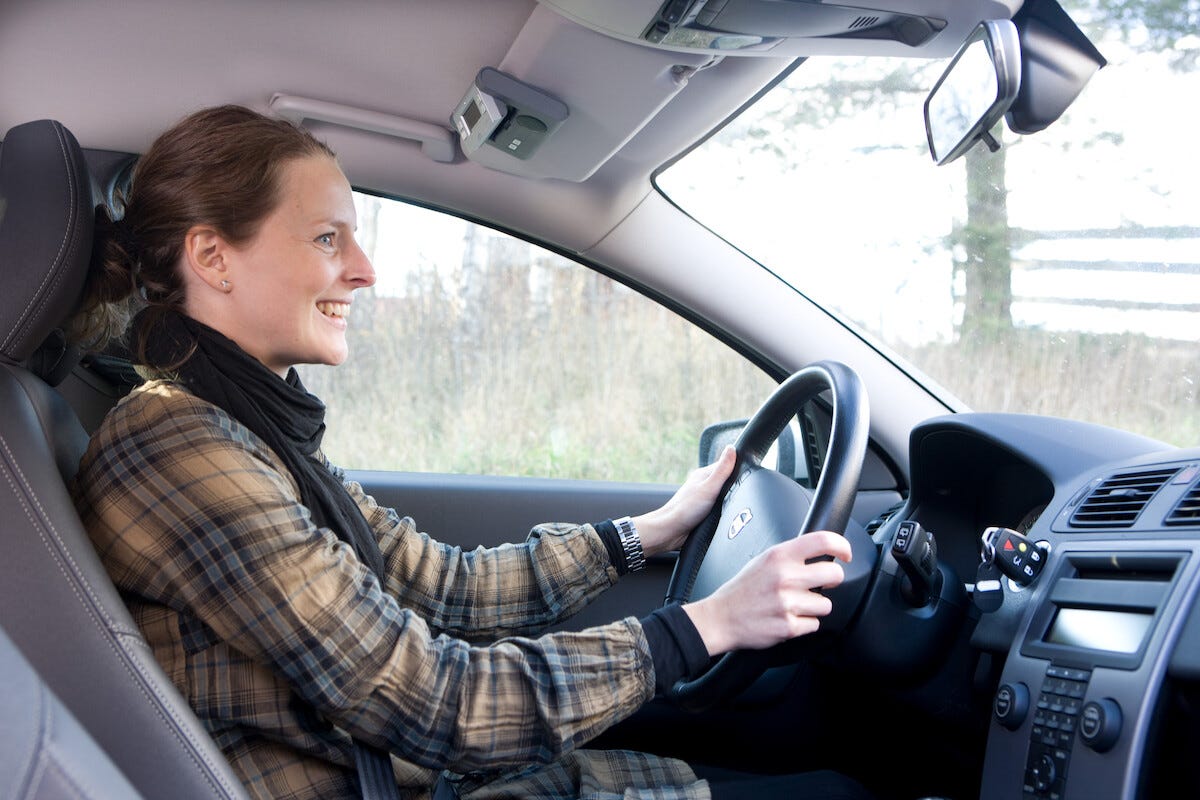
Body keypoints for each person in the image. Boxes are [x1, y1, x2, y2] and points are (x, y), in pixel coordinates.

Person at [70, 105, 871, 800]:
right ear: (213, 258)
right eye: (326, 238)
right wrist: (703, 627)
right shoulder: (176, 450)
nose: (365, 271)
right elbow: (434, 702)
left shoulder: (247, 431)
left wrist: (643, 534)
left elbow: (442, 585)